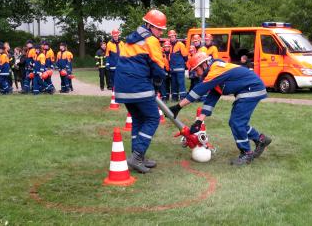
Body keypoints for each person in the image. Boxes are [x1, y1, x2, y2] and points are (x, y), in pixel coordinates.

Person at [169, 52, 272, 166]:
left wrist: (178, 106)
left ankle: (246, 153)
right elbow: (211, 99)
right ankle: (260, 139)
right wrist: (199, 121)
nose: (197, 74)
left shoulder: (215, 69)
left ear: (203, 65)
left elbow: (199, 90)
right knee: (239, 123)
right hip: (249, 88)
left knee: (236, 122)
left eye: (196, 70)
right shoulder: (215, 72)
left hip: (251, 89)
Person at [114, 9, 167, 173]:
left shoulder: (130, 39)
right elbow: (159, 67)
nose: (160, 33)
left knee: (138, 119)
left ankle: (138, 157)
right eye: (159, 29)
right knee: (152, 118)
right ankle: (137, 156)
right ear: (149, 26)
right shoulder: (151, 40)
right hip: (138, 86)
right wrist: (158, 82)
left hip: (122, 87)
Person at [168, 29, 188, 101]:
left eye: (172, 36)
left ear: (175, 36)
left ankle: (183, 98)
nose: (171, 38)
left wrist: (182, 64)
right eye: (170, 37)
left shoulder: (180, 44)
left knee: (181, 83)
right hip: (173, 69)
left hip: (179, 69)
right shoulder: (169, 45)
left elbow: (185, 56)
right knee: (174, 84)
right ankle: (174, 98)